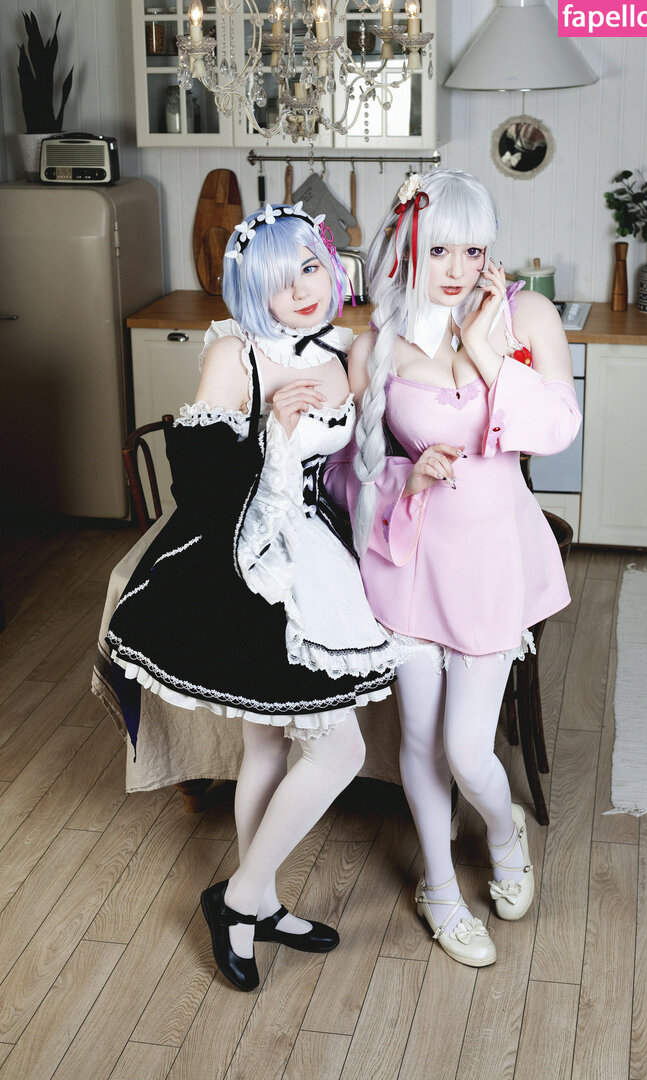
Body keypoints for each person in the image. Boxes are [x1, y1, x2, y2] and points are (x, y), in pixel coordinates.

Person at [105, 202, 397, 991]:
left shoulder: (343, 349)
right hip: (247, 559)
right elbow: (198, 485)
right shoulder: (236, 355)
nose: (299, 290)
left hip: (313, 549)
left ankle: (252, 898)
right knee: (330, 749)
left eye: (309, 267)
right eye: (275, 281)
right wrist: (269, 431)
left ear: (330, 265)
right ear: (248, 291)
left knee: (274, 746)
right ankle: (241, 899)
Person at [324, 169, 582, 968]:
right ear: (408, 246)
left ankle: (504, 837)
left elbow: (556, 429)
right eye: (440, 249)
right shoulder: (376, 342)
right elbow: (340, 472)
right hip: (407, 561)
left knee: (470, 750)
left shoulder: (524, 315)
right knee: (420, 739)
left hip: (491, 562)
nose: (459, 268)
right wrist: (408, 477)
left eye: (474, 250)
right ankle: (439, 888)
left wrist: (484, 351)